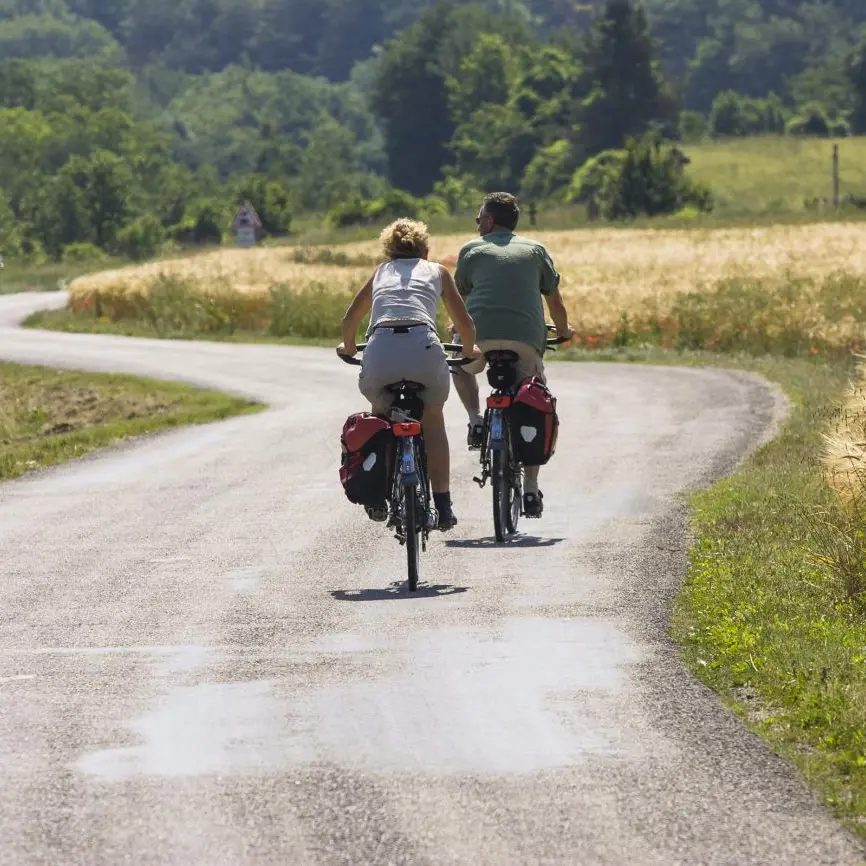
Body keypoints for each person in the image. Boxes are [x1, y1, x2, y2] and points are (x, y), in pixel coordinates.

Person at [337, 218, 480, 530]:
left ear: (389, 251)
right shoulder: (438, 272)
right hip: (424, 348)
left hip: (380, 351)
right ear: (425, 250)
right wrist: (469, 351)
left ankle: (377, 495)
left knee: (379, 416)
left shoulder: (380, 273)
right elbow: (465, 323)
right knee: (433, 419)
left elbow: (350, 318)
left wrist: (348, 348)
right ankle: (442, 505)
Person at [451, 192, 574, 519]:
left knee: (460, 367)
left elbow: (459, 302)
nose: (477, 226)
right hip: (525, 341)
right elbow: (555, 304)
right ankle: (531, 489)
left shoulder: (471, 251)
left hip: (479, 338)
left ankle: (476, 420)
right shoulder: (535, 251)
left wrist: (458, 330)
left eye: (479, 220)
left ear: (490, 221)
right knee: (534, 401)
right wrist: (563, 330)